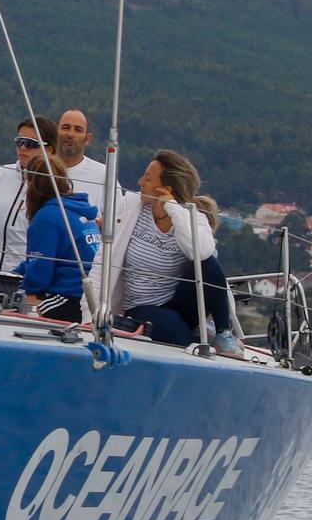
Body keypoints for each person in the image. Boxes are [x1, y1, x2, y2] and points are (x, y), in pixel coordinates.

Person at [102, 149, 244, 355]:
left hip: (180, 303)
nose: (140, 181)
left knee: (207, 262)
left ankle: (223, 334)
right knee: (178, 336)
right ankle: (194, 337)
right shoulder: (132, 208)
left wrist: (173, 208)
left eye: (148, 178)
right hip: (141, 306)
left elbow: (202, 252)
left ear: (164, 189)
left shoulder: (190, 216)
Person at [0, 115, 59, 296]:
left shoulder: (53, 187)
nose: (23, 148)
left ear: (49, 149)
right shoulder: (0, 175)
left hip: (23, 286)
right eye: (19, 142)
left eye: (31, 143)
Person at [17, 155, 101, 322]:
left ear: (31, 183)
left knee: (19, 306)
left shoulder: (47, 218)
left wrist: (17, 286)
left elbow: (39, 275)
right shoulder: (80, 210)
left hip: (68, 297)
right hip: (88, 297)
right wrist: (18, 271)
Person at [54, 109, 107, 200]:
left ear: (87, 139)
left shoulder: (104, 175)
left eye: (78, 130)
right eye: (66, 128)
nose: (70, 134)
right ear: (55, 132)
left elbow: (118, 212)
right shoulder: (39, 169)